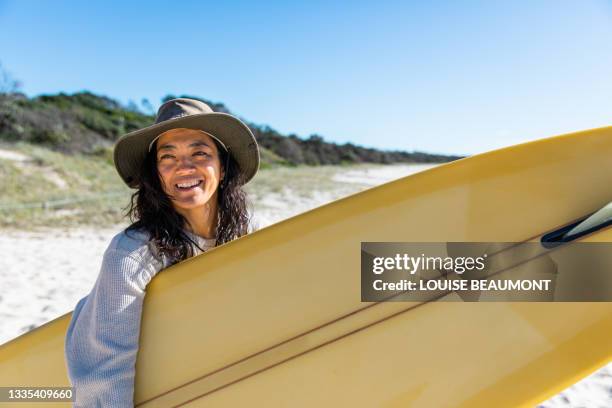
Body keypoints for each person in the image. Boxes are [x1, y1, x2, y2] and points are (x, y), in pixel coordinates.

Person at [64, 98, 260, 407]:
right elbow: (104, 371)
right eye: (168, 158)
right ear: (156, 175)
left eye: (200, 153)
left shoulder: (247, 232)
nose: (184, 167)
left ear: (222, 169)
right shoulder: (133, 253)